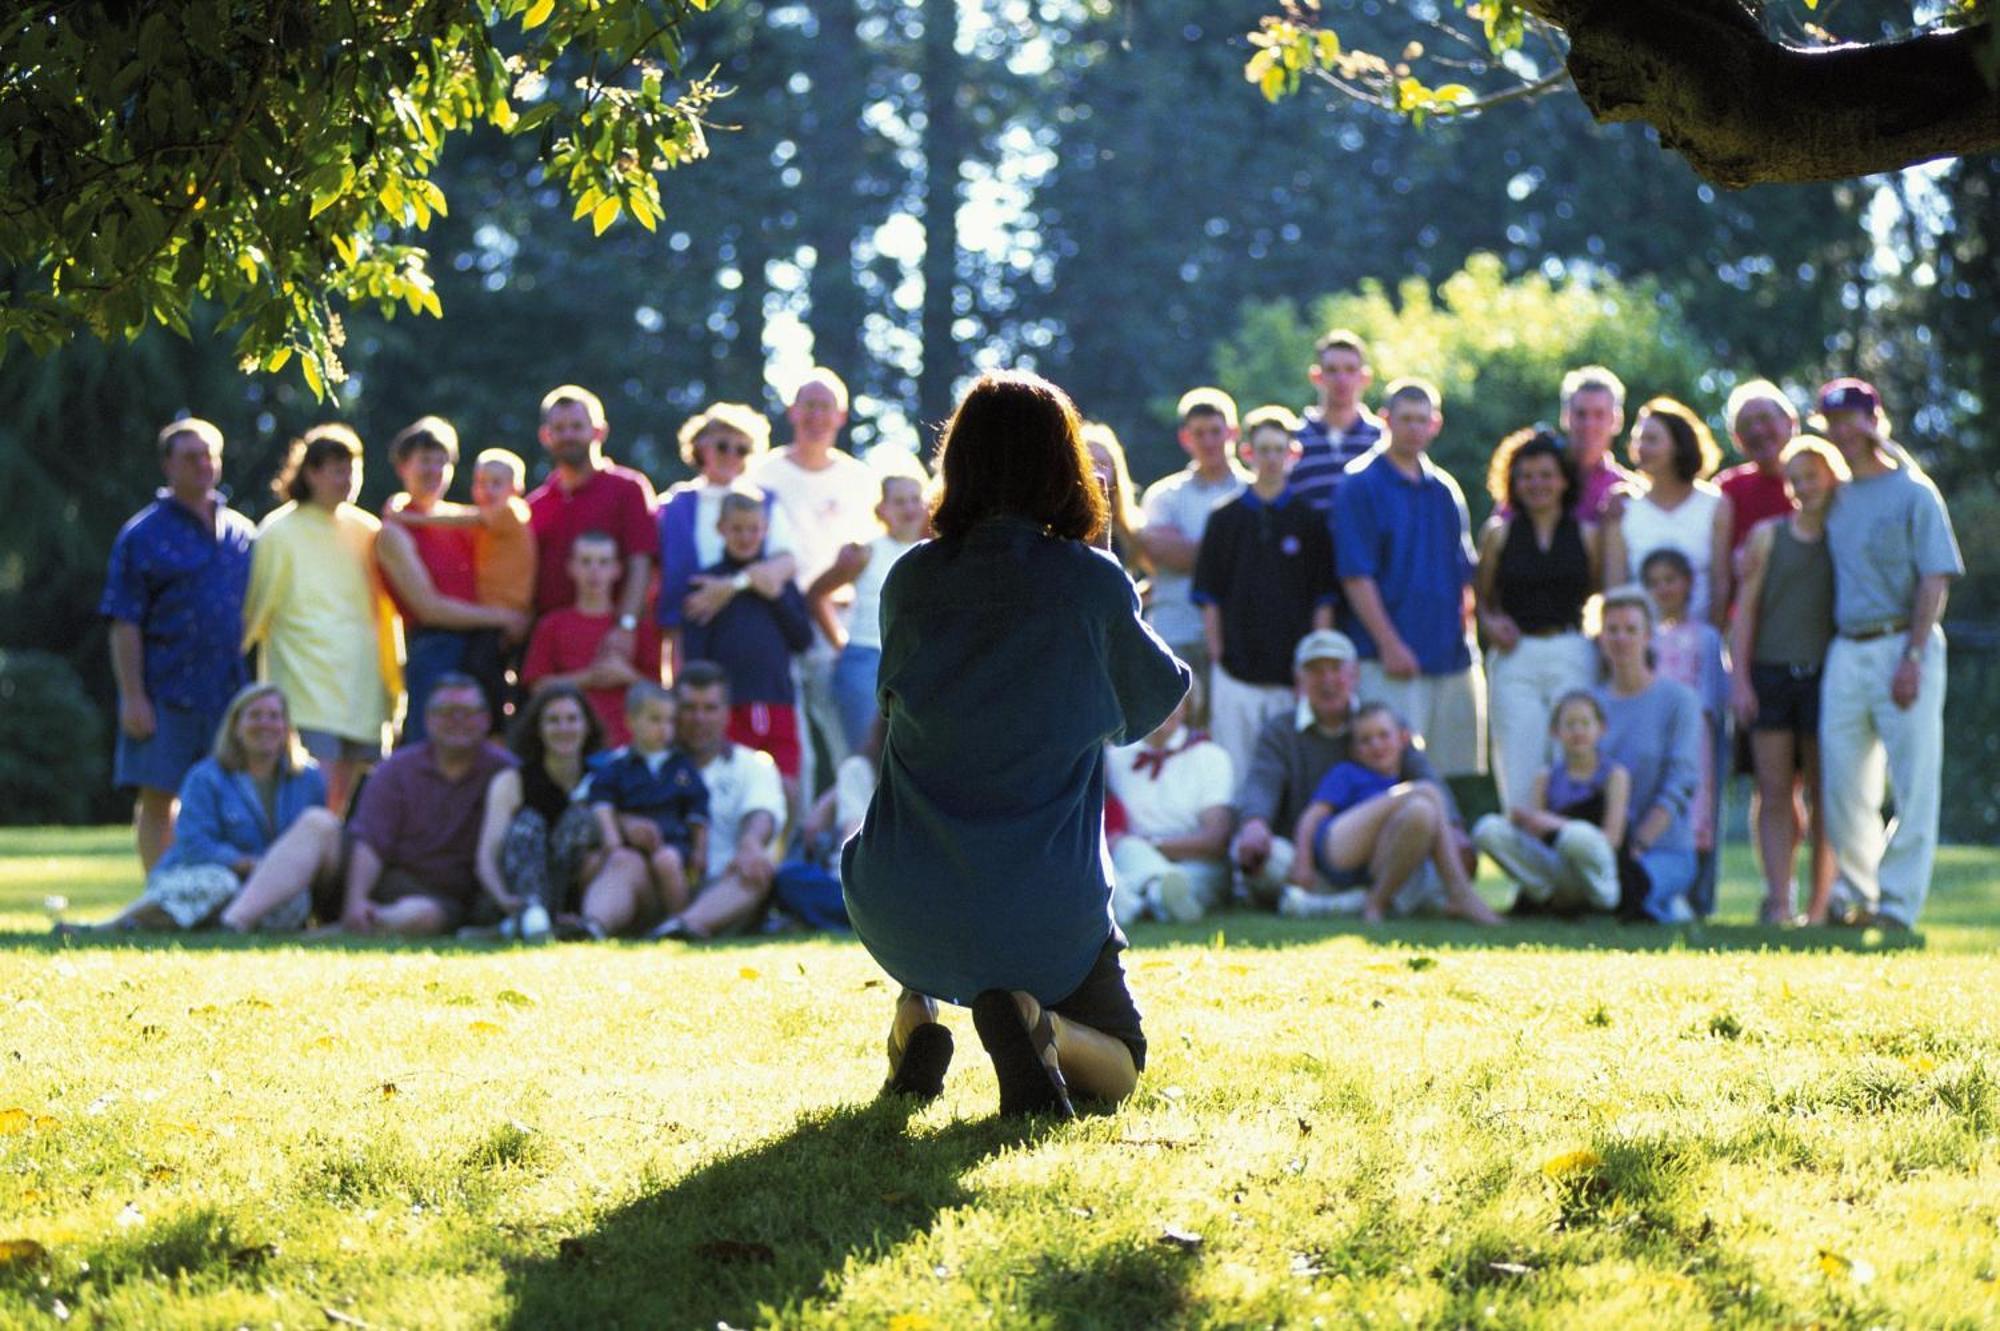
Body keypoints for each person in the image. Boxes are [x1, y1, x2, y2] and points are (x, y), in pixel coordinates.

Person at [843, 371, 1189, 1120]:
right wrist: (1100, 562)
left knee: (933, 866)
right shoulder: (1090, 583)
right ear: (1066, 467)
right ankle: (1038, 1022)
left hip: (900, 899)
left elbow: (898, 704)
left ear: (956, 463)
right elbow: (1146, 707)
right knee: (1124, 1064)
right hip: (1042, 913)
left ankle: (916, 1021)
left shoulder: (908, 581)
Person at [1816, 378, 1964, 930]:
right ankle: (1856, 895)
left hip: (1906, 642)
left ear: (1874, 419)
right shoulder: (1837, 495)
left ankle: (1898, 906)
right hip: (1845, 648)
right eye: (1833, 422)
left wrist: (1914, 656)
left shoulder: (1916, 492)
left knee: (1914, 782)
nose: (1843, 431)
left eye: (1852, 418)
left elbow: (1935, 578)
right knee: (1843, 784)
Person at [100, 417, 257, 872]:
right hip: (163, 690)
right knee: (158, 795)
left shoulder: (242, 533)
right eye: (191, 456)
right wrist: (133, 697)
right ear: (168, 465)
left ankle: (217, 896)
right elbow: (123, 621)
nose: (203, 464)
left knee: (225, 797)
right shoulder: (141, 535)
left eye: (210, 454)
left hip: (228, 693)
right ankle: (161, 896)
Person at [1234, 630, 1476, 917]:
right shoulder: (1281, 731)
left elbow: (1423, 771)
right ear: (1299, 680)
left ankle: (1325, 904)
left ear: (1355, 674)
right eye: (1315, 671)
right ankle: (1380, 901)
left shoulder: (1382, 722)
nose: (1327, 681)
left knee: (1425, 815)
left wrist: (1454, 825)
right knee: (1266, 857)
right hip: (1308, 856)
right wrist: (1254, 822)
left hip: (1382, 852)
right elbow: (1262, 783)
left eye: (1336, 669)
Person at [75, 684, 327, 933]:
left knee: (294, 899)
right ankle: (113, 925)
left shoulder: (309, 779)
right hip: (202, 874)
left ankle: (206, 926)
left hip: (264, 884)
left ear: (287, 727)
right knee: (219, 884)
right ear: (235, 727)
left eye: (274, 716)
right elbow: (194, 845)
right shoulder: (206, 777)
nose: (265, 724)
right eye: (255, 716)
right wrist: (246, 864)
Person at [241, 424, 400, 814]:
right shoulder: (278, 531)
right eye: (337, 469)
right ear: (310, 473)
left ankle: (331, 873)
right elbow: (255, 608)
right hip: (305, 685)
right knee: (312, 793)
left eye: (353, 469)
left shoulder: (368, 530)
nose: (347, 480)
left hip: (361, 686)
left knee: (350, 799)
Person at [1332, 378, 1486, 780]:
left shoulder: (1445, 490)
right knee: (1391, 776)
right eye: (1406, 419)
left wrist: (1466, 639)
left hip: (1447, 657)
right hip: (1387, 659)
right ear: (1386, 419)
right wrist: (1390, 645)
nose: (1414, 428)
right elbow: (1355, 576)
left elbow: (1462, 575)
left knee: (1449, 776)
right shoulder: (1359, 484)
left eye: (1423, 420)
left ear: (1435, 424)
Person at [749, 368, 882, 786]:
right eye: (808, 406)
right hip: (777, 619)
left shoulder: (860, 480)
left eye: (825, 407)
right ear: (792, 412)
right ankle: (795, 839)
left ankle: (851, 839)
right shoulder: (763, 474)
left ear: (841, 416)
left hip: (838, 623)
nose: (816, 416)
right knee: (793, 745)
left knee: (850, 742)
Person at [1730, 436, 1844, 925]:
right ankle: (1780, 901)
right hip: (1771, 676)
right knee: (1774, 792)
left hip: (1827, 679)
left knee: (1824, 796)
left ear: (1832, 476)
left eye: (1812, 474)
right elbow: (1746, 614)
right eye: (1795, 477)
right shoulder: (1768, 536)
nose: (1803, 485)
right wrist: (1741, 680)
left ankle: (1819, 909)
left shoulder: (1846, 535)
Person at [1191, 404, 1338, 781]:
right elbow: (1210, 595)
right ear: (1247, 453)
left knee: (1288, 771)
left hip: (1291, 670)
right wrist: (1218, 653)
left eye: (1279, 449)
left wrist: (1314, 660)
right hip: (1236, 670)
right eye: (1264, 449)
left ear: (1293, 454)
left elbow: (1323, 597)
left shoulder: (1310, 520)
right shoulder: (1224, 518)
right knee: (1233, 768)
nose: (1271, 458)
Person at [375, 416, 528, 740]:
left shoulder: (464, 519)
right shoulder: (394, 532)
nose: (433, 471)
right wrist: (504, 617)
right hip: (436, 647)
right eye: (424, 462)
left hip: (483, 646)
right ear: (403, 467)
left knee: (485, 744)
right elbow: (429, 608)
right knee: (432, 745)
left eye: (441, 462)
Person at [1475, 427, 1601, 813]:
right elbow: (1481, 598)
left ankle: (1567, 857)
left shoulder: (1587, 535)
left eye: (1546, 474)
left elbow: (1602, 596)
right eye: (1527, 476)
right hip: (1516, 658)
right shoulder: (1499, 534)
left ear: (1564, 479)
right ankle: (1525, 863)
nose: (1537, 484)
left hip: (1573, 651)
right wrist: (1491, 624)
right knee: (1519, 763)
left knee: (1574, 761)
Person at [1285, 701, 1501, 925]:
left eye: (1384, 735)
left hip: (1375, 867)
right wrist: (1303, 861)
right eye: (1365, 740)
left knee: (1422, 811)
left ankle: (1377, 902)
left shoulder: (1404, 784)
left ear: (1403, 738)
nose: (1376, 745)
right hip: (1338, 847)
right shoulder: (1346, 773)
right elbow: (1311, 817)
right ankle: (1460, 892)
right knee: (1428, 791)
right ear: (1354, 750)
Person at [336, 675, 518, 935]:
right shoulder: (397, 769)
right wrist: (355, 901)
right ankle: (258, 915)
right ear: (428, 719)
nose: (457, 721)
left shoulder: (506, 772)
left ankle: (350, 928)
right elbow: (370, 840)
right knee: (315, 825)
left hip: (447, 899)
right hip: (390, 880)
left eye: (467, 712)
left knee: (422, 916)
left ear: (486, 720)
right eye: (446, 712)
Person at [683, 493, 816, 793]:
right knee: (732, 787)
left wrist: (776, 597)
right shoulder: (705, 584)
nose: (746, 537)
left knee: (787, 788)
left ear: (765, 528)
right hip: (728, 707)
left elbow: (803, 639)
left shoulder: (778, 582)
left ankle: (787, 842)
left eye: (753, 528)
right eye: (737, 528)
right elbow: (695, 655)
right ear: (721, 528)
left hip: (778, 701)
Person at [648, 661, 790, 940]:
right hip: (660, 881)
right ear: (674, 712)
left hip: (726, 884)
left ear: (726, 713)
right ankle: (591, 926)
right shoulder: (647, 762)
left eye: (710, 708)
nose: (699, 718)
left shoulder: (754, 765)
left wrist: (751, 844)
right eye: (689, 708)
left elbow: (762, 813)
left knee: (756, 869)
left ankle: (682, 927)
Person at [656, 402, 799, 676]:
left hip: (753, 633)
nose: (731, 455)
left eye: (742, 449)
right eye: (723, 446)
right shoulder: (674, 504)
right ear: (701, 446)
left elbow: (786, 562)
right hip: (693, 632)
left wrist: (731, 586)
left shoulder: (765, 501)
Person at [471, 682, 619, 943]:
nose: (564, 729)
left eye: (572, 719)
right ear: (538, 729)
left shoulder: (604, 779)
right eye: (553, 720)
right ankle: (529, 915)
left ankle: (561, 920)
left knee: (581, 821)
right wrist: (504, 899)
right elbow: (488, 854)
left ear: (587, 725)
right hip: (517, 893)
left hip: (575, 896)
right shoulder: (512, 781)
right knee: (529, 823)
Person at [1592, 587, 1704, 923]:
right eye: (1612, 629)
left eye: (1631, 630)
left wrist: (1638, 845)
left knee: (1625, 892)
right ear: (1599, 636)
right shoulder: (1590, 704)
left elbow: (1682, 783)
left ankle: (1661, 902)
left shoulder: (1679, 701)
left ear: (1649, 636)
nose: (1621, 639)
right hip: (1601, 850)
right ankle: (1662, 907)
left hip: (1663, 851)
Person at [1472, 690, 1630, 915]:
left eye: (1585, 723)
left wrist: (1557, 825)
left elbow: (1612, 840)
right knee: (1488, 828)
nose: (1578, 731)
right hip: (1558, 867)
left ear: (1601, 729)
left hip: (1597, 867)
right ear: (1555, 732)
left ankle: (1599, 903)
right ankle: (1549, 897)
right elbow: (1538, 836)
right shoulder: (1545, 777)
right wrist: (1524, 821)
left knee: (1577, 837)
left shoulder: (1615, 775)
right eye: (1570, 724)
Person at [807, 472, 929, 755]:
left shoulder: (937, 551)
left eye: (915, 500)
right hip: (866, 660)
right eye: (899, 502)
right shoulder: (865, 553)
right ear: (882, 509)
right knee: (867, 758)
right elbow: (816, 593)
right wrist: (839, 642)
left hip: (917, 662)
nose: (909, 509)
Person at [576, 682, 711, 936]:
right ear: (631, 721)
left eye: (670, 721)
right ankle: (592, 925)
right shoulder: (617, 766)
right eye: (655, 720)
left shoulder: (681, 766)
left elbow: (698, 809)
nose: (664, 729)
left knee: (666, 860)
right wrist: (612, 837)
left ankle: (679, 923)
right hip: (631, 851)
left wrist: (700, 849)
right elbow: (600, 801)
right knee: (612, 861)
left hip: (673, 846)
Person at [525, 385, 658, 637]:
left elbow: (641, 565)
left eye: (577, 427)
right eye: (559, 429)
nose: (568, 435)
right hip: (549, 645)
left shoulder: (628, 489)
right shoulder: (534, 506)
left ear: (599, 431)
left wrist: (626, 628)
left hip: (612, 642)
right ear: (545, 435)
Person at [1136, 387, 1250, 680]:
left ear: (1233, 432)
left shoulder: (1253, 491)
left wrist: (1190, 549)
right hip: (1174, 632)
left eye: (1216, 431)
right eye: (1199, 433)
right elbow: (1163, 553)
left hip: (1239, 636)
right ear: (1185, 437)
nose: (1209, 441)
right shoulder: (1163, 495)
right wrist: (1236, 550)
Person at [1640, 548, 1729, 917]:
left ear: (1689, 583)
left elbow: (1712, 694)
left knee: (1697, 811)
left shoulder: (1705, 636)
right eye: (1654, 583)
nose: (1663, 589)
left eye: (1670, 580)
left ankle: (1699, 897)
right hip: (1651, 735)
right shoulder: (1643, 636)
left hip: (1695, 738)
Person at [1105, 681, 1234, 926]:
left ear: (1187, 706)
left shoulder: (1211, 757)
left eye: (1174, 699)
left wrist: (1152, 846)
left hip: (1195, 864)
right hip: (1130, 857)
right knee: (1128, 854)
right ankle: (1159, 895)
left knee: (1185, 880)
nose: (1164, 707)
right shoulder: (1113, 759)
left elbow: (1215, 841)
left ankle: (1138, 901)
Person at [521, 530, 664, 746]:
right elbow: (537, 689)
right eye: (586, 562)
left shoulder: (639, 628)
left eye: (603, 562)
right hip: (572, 747)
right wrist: (588, 678)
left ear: (617, 570)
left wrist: (627, 676)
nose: (594, 571)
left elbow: (662, 694)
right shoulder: (552, 625)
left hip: (628, 747)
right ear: (572, 568)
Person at [1601, 397, 1731, 628]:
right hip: (1639, 650)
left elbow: (1720, 583)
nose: (1641, 448)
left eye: (1652, 440)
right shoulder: (1622, 508)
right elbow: (1615, 589)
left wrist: (1711, 638)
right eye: (1638, 440)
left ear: (1679, 445)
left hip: (1699, 645)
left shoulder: (1715, 505)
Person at [1290, 328, 1383, 515]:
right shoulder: (1292, 439)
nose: (1342, 379)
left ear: (1365, 378)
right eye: (1332, 370)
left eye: (1350, 370)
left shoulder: (1383, 439)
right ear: (1316, 376)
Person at [1716, 380, 1799, 559]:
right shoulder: (1727, 489)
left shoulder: (1818, 478)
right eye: (1746, 425)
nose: (1757, 431)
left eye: (1765, 419)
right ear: (1736, 439)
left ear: (1790, 422)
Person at [1555, 365, 1636, 524]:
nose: (1589, 424)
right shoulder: (1537, 481)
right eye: (1581, 414)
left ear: (1616, 420)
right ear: (1565, 417)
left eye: (1599, 415)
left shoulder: (1630, 490)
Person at [1082, 422, 1151, 578]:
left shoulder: (1133, 527)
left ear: (1115, 470)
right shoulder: (1063, 528)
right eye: (1088, 463)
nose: (1095, 471)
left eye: (1102, 464)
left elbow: (1157, 577)